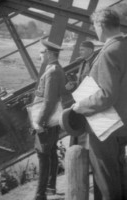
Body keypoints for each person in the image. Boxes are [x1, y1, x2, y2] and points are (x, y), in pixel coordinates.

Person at [72, 8, 127, 200]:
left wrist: (81, 106)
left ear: (100, 25)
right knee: (120, 174)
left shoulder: (110, 51)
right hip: (123, 125)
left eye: (94, 26)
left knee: (106, 179)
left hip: (106, 126)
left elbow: (106, 95)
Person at [33, 40, 73, 200]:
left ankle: (40, 194)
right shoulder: (56, 69)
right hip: (52, 119)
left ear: (49, 54)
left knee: (43, 155)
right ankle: (50, 188)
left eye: (41, 53)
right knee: (50, 153)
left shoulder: (52, 71)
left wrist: (39, 122)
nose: (39, 55)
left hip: (47, 121)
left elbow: (49, 101)